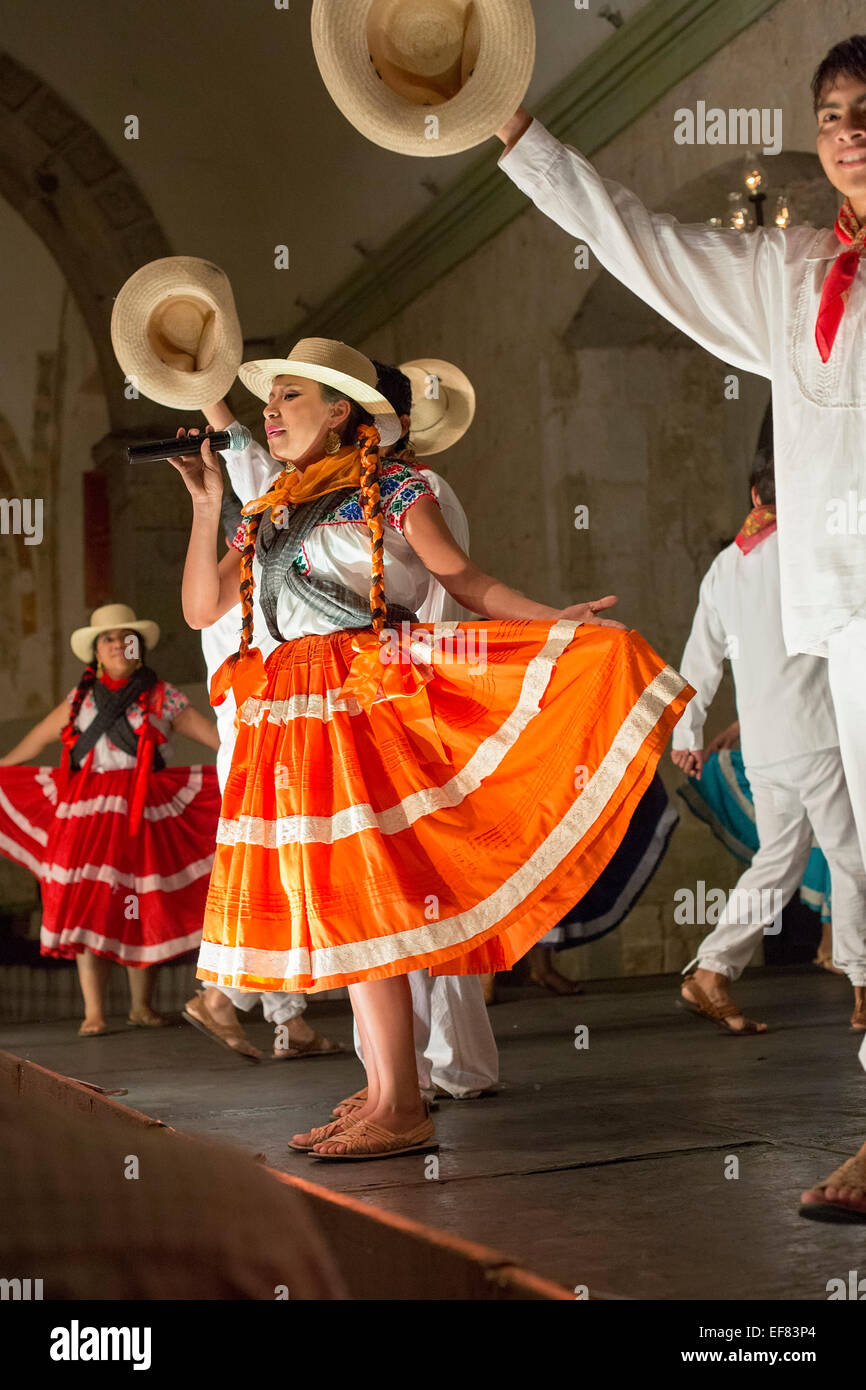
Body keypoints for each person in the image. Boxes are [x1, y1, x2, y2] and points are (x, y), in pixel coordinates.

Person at [495, 33, 866, 1220]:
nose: (849, 128)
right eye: (833, 110)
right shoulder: (796, 270)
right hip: (844, 628)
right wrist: (518, 138)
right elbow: (645, 245)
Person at [172, 336, 691, 1161]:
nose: (269, 412)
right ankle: (386, 1090)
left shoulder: (399, 486)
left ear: (341, 410)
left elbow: (467, 582)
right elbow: (202, 608)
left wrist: (551, 621)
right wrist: (208, 506)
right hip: (291, 717)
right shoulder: (269, 503)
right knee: (344, 905)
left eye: (291, 397)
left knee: (368, 898)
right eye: (268, 401)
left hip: (364, 707)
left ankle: (402, 1102)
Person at [670, 450, 866, 1033]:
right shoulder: (813, 553)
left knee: (777, 863)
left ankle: (711, 971)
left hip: (766, 747)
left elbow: (699, 662)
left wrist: (689, 730)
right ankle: (863, 985)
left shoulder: (724, 568)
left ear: (755, 497)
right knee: (850, 862)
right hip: (819, 735)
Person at [0, 605, 220, 1035]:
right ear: (97, 653)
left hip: (143, 811)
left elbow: (213, 739)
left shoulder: (163, 695)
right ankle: (94, 1012)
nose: (119, 644)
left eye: (127, 638)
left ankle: (141, 1005)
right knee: (90, 906)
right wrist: (4, 766)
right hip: (85, 814)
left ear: (139, 649)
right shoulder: (79, 699)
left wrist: (245, 763)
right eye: (108, 639)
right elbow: (36, 742)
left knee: (136, 904)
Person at [184, 488, 344, 1063]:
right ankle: (222, 995)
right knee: (283, 878)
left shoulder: (240, 589)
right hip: (263, 749)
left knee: (283, 877)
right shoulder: (250, 590)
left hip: (255, 747)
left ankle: (288, 1022)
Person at [677, 718, 838, 971]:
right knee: (792, 853)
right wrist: (694, 734)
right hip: (800, 750)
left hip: (812, 746)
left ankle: (714, 965)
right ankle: (713, 965)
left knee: (824, 846)